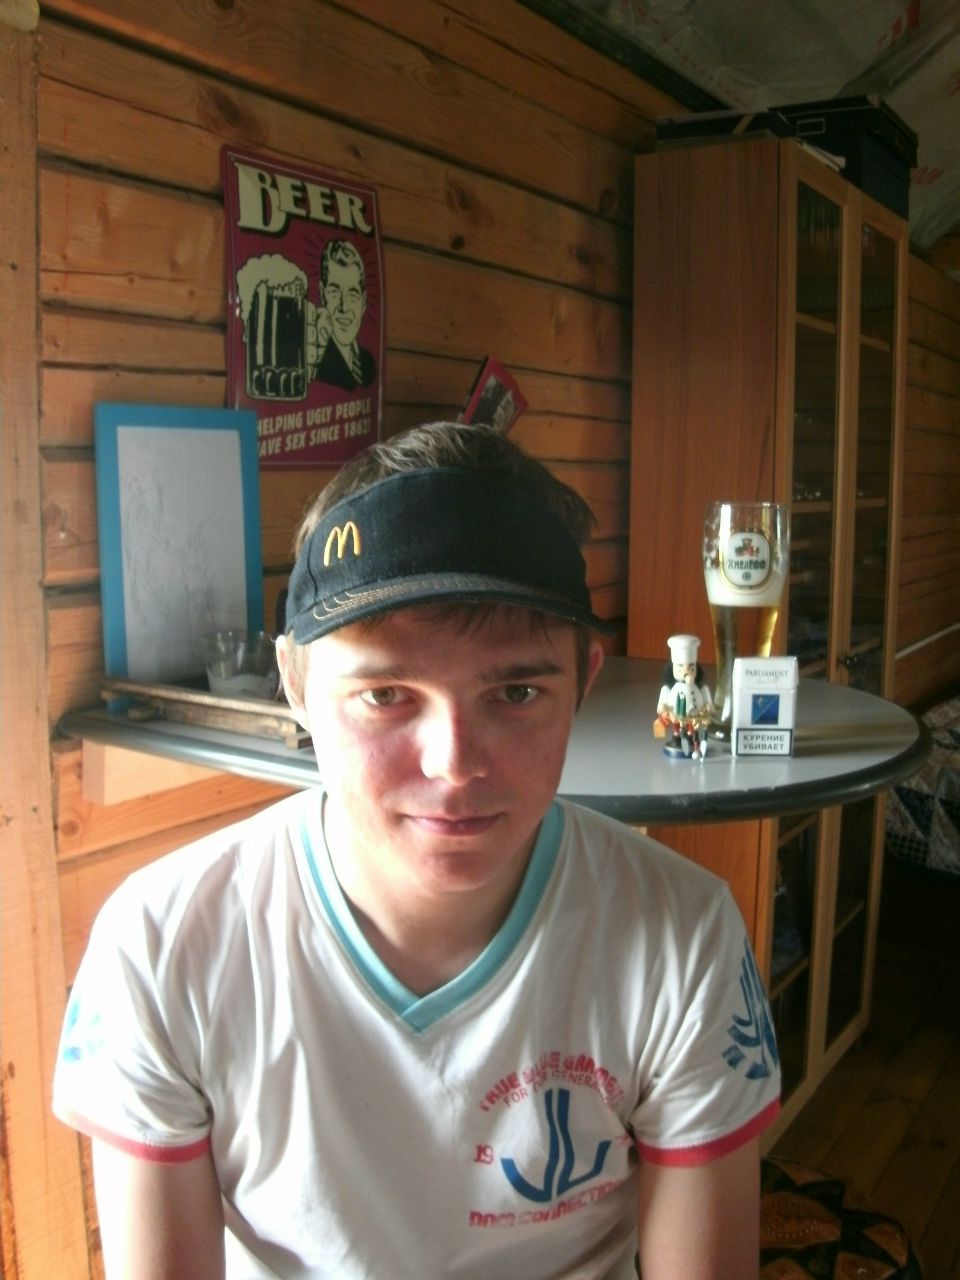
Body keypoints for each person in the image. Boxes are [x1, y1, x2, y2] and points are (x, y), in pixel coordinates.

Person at [53, 422, 780, 1279]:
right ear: (296, 684)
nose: (454, 763)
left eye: (517, 691)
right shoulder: (162, 944)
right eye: (385, 694)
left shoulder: (683, 935)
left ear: (583, 679)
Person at [311, 238, 376, 391]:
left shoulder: (369, 363)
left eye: (352, 295)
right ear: (322, 295)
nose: (344, 306)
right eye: (334, 292)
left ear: (363, 302)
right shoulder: (314, 364)